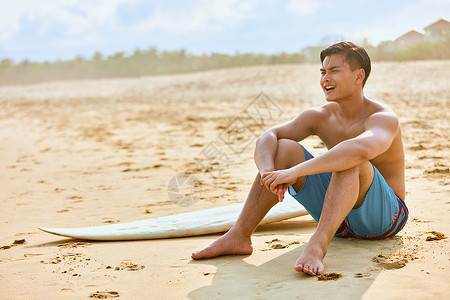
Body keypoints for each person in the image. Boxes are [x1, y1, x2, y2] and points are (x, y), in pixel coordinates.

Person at [191, 41, 409, 276]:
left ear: (359, 76)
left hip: (384, 220)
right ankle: (239, 235)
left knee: (350, 160)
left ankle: (316, 246)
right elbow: (268, 136)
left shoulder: (383, 118)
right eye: (323, 72)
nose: (326, 78)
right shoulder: (320, 116)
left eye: (334, 71)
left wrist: (296, 172)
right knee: (283, 148)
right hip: (340, 222)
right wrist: (268, 173)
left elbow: (358, 151)